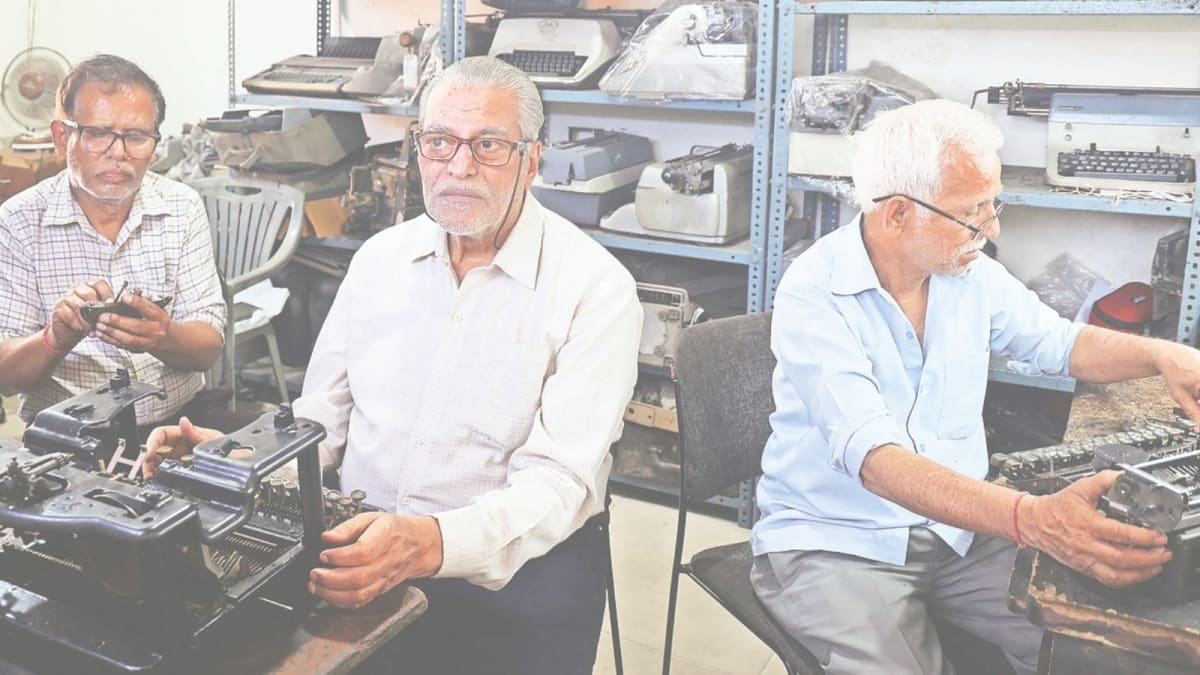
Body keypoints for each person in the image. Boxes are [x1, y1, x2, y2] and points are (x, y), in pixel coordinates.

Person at [145, 56, 642, 675]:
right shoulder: (380, 261)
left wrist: (428, 543)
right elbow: (320, 421)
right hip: (357, 547)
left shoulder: (596, 289)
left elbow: (557, 486)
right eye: (439, 142)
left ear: (531, 159)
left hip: (515, 576)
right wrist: (233, 461)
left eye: (488, 145)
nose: (459, 167)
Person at [750, 99, 1200, 675]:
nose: (992, 229)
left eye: (994, 204)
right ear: (896, 216)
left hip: (960, 529)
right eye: (973, 212)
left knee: (1110, 654)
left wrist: (1163, 355)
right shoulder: (813, 294)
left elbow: (1061, 344)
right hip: (838, 541)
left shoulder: (967, 275)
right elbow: (876, 460)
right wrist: (1030, 518)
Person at [0, 54, 225, 432]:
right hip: (69, 434)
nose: (118, 153)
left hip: (177, 424)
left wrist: (163, 335)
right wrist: (55, 338)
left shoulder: (182, 206)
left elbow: (209, 347)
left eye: (136, 137)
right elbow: (5, 376)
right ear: (62, 137)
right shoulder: (18, 221)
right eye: (99, 133)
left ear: (154, 146)